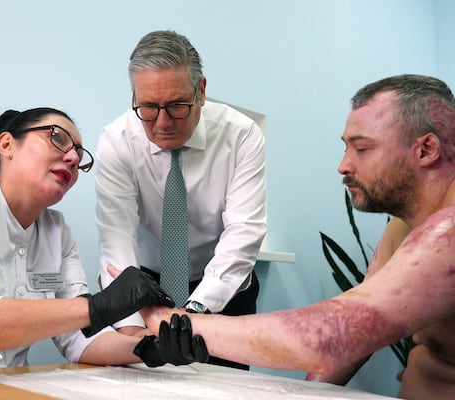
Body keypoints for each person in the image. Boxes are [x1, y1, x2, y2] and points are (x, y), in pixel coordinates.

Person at [132, 74, 455, 399]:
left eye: (362, 148)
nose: (344, 165)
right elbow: (357, 338)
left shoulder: (449, 233)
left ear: (426, 149)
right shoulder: (401, 227)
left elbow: (331, 336)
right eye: (346, 147)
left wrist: (168, 319)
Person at [0, 107, 203, 370]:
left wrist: (148, 348)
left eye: (80, 155)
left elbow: (80, 340)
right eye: (57, 138)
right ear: (7, 144)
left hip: (0, 389)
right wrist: (97, 306)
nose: (72, 158)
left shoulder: (57, 232)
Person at [95, 30, 267, 369]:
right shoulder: (117, 141)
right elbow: (116, 238)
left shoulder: (242, 135)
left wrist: (193, 314)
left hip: (222, 288)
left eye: (176, 106)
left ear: (201, 91)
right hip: (145, 286)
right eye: (147, 107)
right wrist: (131, 330)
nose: (162, 123)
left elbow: (244, 232)